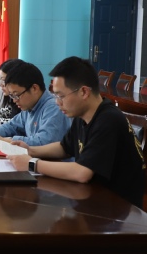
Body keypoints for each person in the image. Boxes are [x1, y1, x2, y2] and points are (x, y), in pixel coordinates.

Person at [9, 56, 145, 208]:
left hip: (118, 208)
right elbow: (64, 147)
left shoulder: (108, 120)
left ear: (84, 92)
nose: (57, 102)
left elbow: (82, 173)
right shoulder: (83, 115)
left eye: (61, 96)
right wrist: (30, 150)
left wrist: (32, 163)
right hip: (93, 197)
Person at [0, 61, 71, 148]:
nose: (14, 100)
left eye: (16, 95)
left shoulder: (53, 108)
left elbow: (44, 142)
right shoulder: (29, 106)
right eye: (12, 96)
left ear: (34, 88)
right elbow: (12, 126)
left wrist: (4, 141)